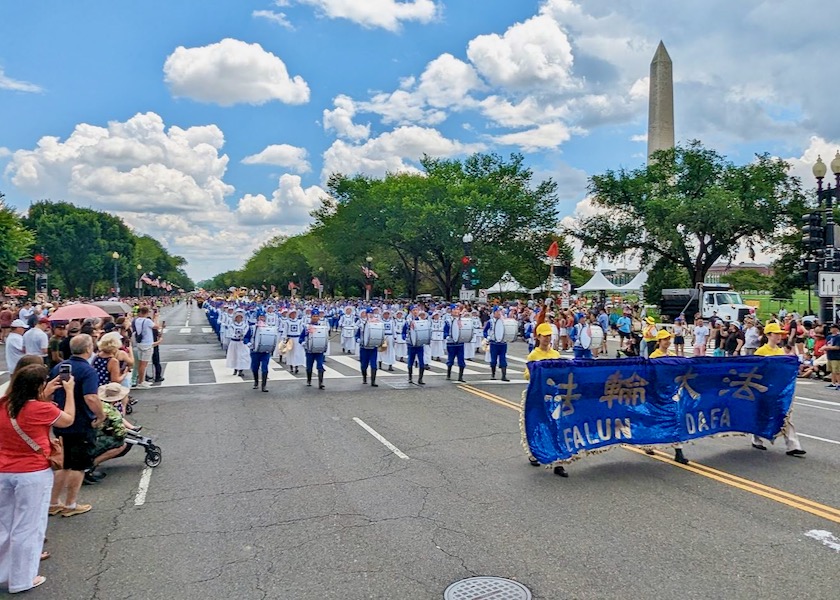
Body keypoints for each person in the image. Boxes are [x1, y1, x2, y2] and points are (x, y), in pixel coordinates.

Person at [0, 364, 76, 594]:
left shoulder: (4, 404)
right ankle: (22, 579)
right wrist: (69, 391)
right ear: (38, 386)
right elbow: (68, 419)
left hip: (4, 470)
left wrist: (45, 390)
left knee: (4, 525)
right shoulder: (41, 409)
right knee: (28, 527)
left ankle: (3, 573)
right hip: (32, 472)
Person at [49, 334, 106, 516]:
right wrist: (101, 415)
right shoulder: (87, 370)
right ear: (89, 349)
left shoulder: (59, 367)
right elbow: (90, 397)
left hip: (60, 421)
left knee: (63, 464)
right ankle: (70, 504)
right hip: (81, 422)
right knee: (78, 465)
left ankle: (53, 502)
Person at [750, 322, 806, 457]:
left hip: (779, 389)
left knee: (785, 416)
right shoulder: (761, 352)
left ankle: (793, 445)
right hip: (764, 389)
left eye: (780, 334)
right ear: (769, 335)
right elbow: (755, 370)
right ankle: (756, 438)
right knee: (762, 414)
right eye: (776, 334)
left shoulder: (780, 352)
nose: (779, 336)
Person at [523, 323, 567, 477]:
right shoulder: (533, 355)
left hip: (553, 396)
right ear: (538, 337)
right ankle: (534, 452)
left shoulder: (555, 354)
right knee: (537, 423)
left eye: (549, 335)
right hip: (537, 395)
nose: (547, 338)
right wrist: (537, 371)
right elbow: (527, 375)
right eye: (544, 335)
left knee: (556, 425)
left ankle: (558, 462)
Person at [646, 330, 689, 464]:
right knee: (654, 419)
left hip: (671, 393)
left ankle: (678, 452)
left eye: (668, 339)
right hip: (657, 393)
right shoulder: (654, 357)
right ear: (659, 342)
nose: (668, 341)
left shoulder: (672, 355)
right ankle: (648, 444)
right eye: (665, 339)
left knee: (675, 419)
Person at [246, 315, 277, 392]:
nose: (262, 319)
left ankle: (264, 386)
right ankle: (256, 382)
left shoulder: (269, 328)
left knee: (265, 368)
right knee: (255, 368)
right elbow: (246, 338)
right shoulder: (252, 328)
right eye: (260, 317)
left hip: (265, 352)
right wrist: (249, 343)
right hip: (255, 351)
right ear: (257, 318)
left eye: (263, 317)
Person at [299, 309, 327, 390]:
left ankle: (321, 383)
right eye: (314, 316)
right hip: (310, 350)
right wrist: (303, 343)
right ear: (311, 317)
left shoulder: (322, 327)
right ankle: (309, 380)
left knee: (320, 366)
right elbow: (301, 338)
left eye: (317, 316)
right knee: (309, 367)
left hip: (319, 350)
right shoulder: (307, 327)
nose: (315, 318)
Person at [131, 307, 155, 389]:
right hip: (147, 344)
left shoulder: (137, 320)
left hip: (140, 343)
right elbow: (156, 326)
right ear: (147, 312)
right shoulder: (147, 321)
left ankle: (142, 380)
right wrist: (156, 317)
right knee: (143, 365)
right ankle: (141, 382)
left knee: (141, 364)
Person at [483, 307, 511, 381]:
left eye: (499, 312)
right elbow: (485, 331)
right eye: (497, 312)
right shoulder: (491, 321)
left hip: (503, 343)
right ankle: (493, 374)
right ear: (494, 313)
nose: (498, 313)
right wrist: (487, 337)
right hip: (494, 343)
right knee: (493, 360)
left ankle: (504, 376)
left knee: (503, 359)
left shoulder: (504, 321)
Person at [403, 306, 427, 386]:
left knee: (421, 362)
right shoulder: (408, 321)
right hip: (411, 344)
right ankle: (410, 377)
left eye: (417, 310)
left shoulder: (422, 321)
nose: (415, 312)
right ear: (411, 312)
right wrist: (405, 337)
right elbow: (404, 332)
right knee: (410, 361)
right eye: (414, 310)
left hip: (419, 345)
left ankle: (420, 378)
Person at [443, 307, 467, 382]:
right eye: (454, 310)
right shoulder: (448, 321)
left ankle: (460, 376)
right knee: (450, 359)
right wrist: (446, 336)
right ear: (451, 311)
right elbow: (445, 331)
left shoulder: (462, 320)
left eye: (457, 310)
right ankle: (448, 374)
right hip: (451, 343)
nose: (456, 311)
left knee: (461, 360)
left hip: (460, 343)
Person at [224, 311, 250, 377]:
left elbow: (246, 332)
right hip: (234, 342)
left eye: (240, 317)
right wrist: (236, 336)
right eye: (237, 317)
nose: (239, 319)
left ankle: (241, 370)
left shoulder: (245, 325)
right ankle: (235, 368)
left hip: (241, 343)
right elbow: (231, 333)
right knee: (234, 356)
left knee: (242, 356)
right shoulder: (232, 325)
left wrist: (243, 335)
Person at [823, 323, 840, 389]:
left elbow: (837, 347)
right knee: (832, 370)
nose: (831, 329)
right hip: (830, 355)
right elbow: (827, 344)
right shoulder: (829, 337)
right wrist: (823, 348)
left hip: (836, 356)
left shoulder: (838, 337)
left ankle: (839, 383)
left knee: (837, 371)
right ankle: (833, 383)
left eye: (833, 328)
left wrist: (828, 348)